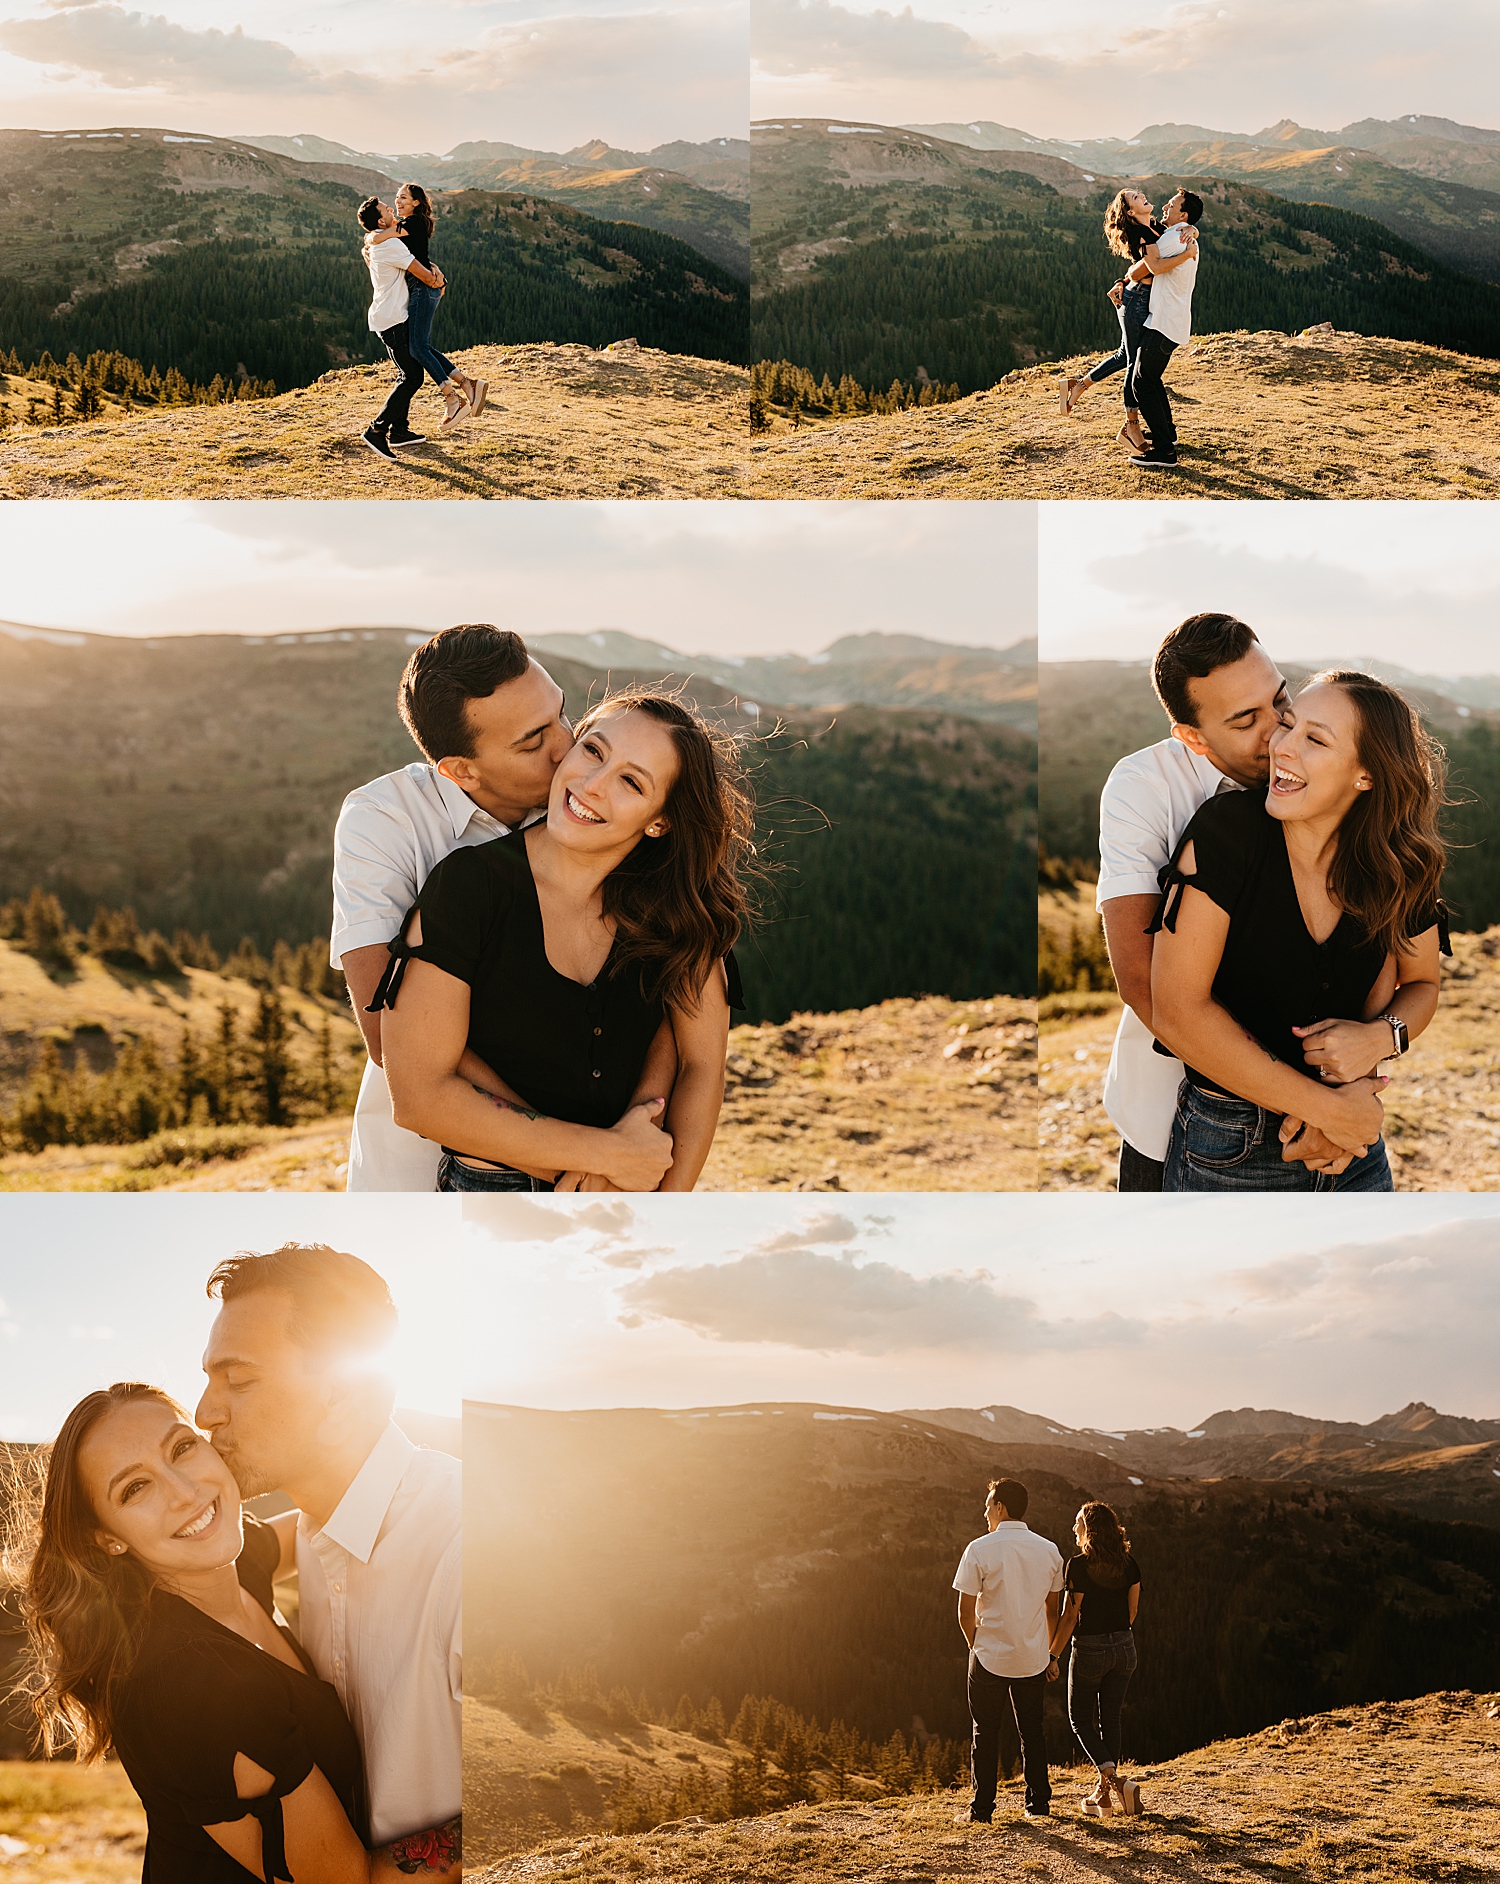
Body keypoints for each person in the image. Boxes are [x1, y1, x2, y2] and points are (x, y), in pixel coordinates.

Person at [331, 624, 675, 1191]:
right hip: (422, 1179)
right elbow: (385, 1035)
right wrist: (584, 1159)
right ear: (461, 770)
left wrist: (623, 1145)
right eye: (533, 742)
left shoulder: (590, 807)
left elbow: (660, 994)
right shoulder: (383, 820)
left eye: (561, 715)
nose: (566, 747)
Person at [375, 687, 752, 1193]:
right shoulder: (468, 886)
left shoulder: (679, 910)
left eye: (631, 782)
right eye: (593, 750)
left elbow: (701, 1067)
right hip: (491, 1199)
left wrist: (663, 1206)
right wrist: (604, 1156)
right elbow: (419, 1096)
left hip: (634, 1197)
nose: (592, 785)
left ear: (660, 821)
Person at [194, 1244, 462, 1863]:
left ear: (341, 1395)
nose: (205, 1413)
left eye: (239, 1380)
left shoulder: (461, 1548)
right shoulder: (316, 1531)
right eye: (209, 1380)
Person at [1149, 668, 1448, 1191]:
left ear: (1366, 775)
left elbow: (1422, 983)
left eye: (1316, 739)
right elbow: (1177, 1010)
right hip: (1234, 1147)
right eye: (1288, 726)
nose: (1281, 747)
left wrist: (1382, 1037)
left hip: (1353, 1149)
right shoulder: (1228, 830)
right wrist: (1329, 1112)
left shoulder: (1398, 863)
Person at [1097, 613, 1347, 1190]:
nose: (1279, 732)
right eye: (1246, 721)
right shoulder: (1143, 787)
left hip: (1326, 1122)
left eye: (1280, 700)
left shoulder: (1319, 768)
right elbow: (1141, 982)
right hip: (1171, 1122)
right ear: (1193, 737)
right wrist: (1311, 1106)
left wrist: (1353, 1080)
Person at [952, 1477, 1065, 1823]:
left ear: (1000, 1507)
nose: (984, 1512)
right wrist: (1049, 1654)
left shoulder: (979, 1549)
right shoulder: (1050, 1550)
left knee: (985, 1732)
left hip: (989, 1656)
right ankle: (1038, 1805)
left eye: (988, 1505)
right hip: (1032, 1658)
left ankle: (982, 1810)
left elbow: (964, 1612)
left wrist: (975, 1644)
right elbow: (1052, 1610)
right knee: (1032, 1731)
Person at [366, 184, 486, 433]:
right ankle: (467, 385)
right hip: (420, 288)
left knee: (418, 348)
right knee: (421, 346)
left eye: (403, 197)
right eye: (396, 197)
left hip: (422, 288)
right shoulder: (409, 224)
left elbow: (377, 238)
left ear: (417, 202)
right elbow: (402, 249)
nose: (397, 202)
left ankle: (454, 398)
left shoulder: (411, 223)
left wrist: (370, 238)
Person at [1049, 1503, 1143, 1818]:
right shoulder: (1129, 1563)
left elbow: (1070, 1615)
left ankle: (1116, 1782)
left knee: (1079, 1719)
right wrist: (1117, 1637)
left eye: (1078, 1523)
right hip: (1125, 1646)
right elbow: (1132, 1612)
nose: (1073, 1529)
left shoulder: (1078, 1565)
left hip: (1090, 1648)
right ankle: (1103, 1799)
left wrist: (1053, 1655)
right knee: (1111, 1720)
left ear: (1089, 1529)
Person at [1060, 190, 1163, 454]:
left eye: (1139, 193)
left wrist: (1192, 232)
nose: (1142, 195)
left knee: (1124, 355)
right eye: (1135, 197)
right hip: (1137, 300)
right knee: (1133, 362)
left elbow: (1139, 267)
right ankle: (1131, 426)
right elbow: (1152, 266)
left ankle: (1078, 386)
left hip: (1138, 297)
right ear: (1130, 212)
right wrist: (1187, 254)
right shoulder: (1141, 233)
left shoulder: (1154, 226)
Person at [356, 196, 447, 464]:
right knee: (412, 377)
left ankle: (399, 431)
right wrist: (440, 280)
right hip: (393, 320)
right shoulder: (390, 244)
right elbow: (424, 275)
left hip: (390, 316)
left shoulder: (381, 241)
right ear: (381, 221)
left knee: (407, 373)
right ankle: (376, 430)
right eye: (386, 208)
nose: (391, 208)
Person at [1125, 188, 1202, 470]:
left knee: (1141, 382)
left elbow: (1141, 270)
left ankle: (1165, 451)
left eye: (1172, 204)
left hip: (1164, 322)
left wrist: (1126, 277)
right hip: (1172, 320)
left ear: (1183, 215)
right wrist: (1193, 231)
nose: (1165, 207)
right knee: (1151, 378)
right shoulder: (1182, 234)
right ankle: (1166, 433)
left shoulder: (1173, 238)